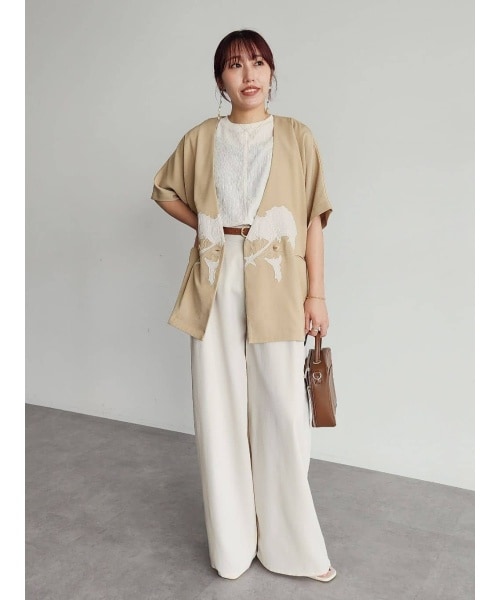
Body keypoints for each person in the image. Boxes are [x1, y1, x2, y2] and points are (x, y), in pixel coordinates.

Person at [150, 29, 336, 583]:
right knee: (219, 408)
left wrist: (317, 294)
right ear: (220, 80)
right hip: (218, 277)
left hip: (279, 279)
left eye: (258, 62)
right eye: (235, 65)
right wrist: (210, 227)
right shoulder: (202, 137)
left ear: (272, 73)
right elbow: (164, 191)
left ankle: (292, 547)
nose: (248, 74)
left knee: (282, 411)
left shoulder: (298, 136)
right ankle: (232, 547)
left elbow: (313, 219)